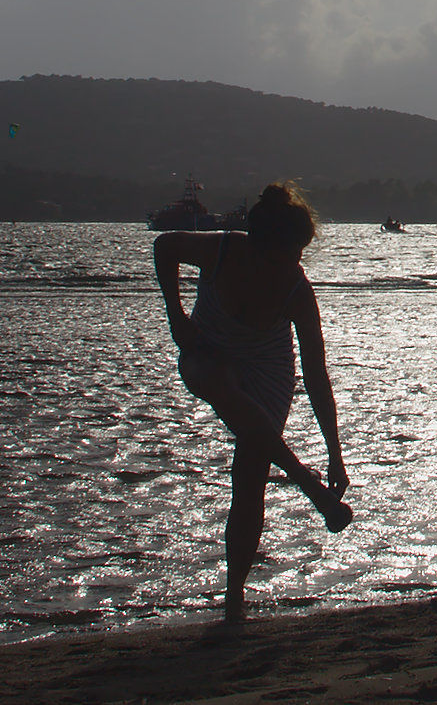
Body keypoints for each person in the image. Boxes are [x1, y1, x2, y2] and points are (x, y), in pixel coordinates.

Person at [153, 181, 352, 621]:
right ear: (260, 247)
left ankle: (234, 597)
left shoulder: (297, 290)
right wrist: (176, 316)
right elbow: (164, 246)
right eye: (289, 253)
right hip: (208, 352)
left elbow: (316, 376)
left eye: (301, 254)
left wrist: (335, 455)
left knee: (250, 475)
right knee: (212, 376)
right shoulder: (223, 250)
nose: (296, 264)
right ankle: (306, 482)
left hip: (267, 368)